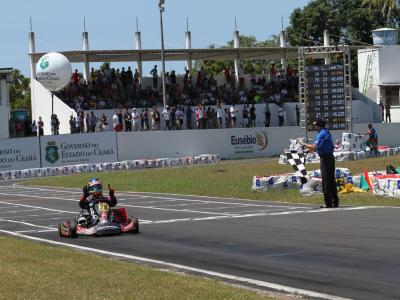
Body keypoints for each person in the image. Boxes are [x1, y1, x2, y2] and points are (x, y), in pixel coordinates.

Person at [302, 119, 339, 208]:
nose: (315, 126)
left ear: (319, 125)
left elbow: (315, 147)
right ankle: (335, 201)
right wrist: (308, 150)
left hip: (325, 158)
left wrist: (303, 143)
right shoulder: (326, 132)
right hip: (330, 157)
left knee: (326, 181)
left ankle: (328, 203)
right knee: (331, 180)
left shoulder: (320, 134)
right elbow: (320, 146)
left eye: (316, 125)